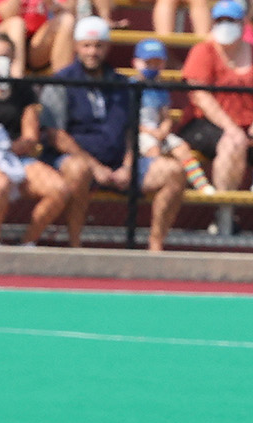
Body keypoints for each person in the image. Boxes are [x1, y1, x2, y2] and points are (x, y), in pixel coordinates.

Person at [43, 16, 185, 250]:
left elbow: (130, 131)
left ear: (107, 47)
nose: (92, 52)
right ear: (76, 46)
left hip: (119, 163)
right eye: (87, 45)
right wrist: (94, 166)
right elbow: (56, 136)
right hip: (77, 162)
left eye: (99, 46)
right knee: (78, 170)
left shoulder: (122, 85)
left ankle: (155, 246)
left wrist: (128, 166)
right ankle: (75, 245)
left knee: (173, 172)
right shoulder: (60, 82)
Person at [0, 31, 74, 247]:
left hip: (14, 154)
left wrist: (8, 149)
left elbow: (30, 137)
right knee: (0, 185)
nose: (0, 62)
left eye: (5, 57)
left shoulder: (23, 91)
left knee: (59, 189)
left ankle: (28, 241)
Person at [176, 0, 253, 194]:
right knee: (233, 142)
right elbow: (201, 96)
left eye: (230, 20)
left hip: (248, 123)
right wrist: (231, 128)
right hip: (206, 123)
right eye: (220, 20)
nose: (225, 25)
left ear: (242, 23)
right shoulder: (203, 51)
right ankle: (225, 207)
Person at [131, 37, 213, 193]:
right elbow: (129, 119)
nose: (153, 67)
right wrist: (151, 132)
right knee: (153, 149)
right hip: (140, 132)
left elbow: (165, 116)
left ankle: (200, 184)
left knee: (182, 148)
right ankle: (158, 181)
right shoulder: (130, 87)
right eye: (148, 63)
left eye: (157, 63)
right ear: (136, 63)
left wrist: (164, 129)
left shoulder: (160, 88)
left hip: (158, 130)